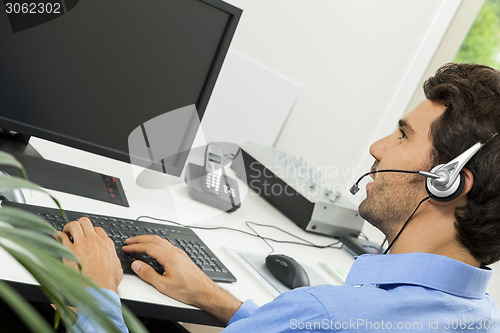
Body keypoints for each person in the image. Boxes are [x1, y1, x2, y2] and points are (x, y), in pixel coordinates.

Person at [60, 63, 500, 332]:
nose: (378, 148)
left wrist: (95, 289)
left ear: (445, 181)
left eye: (403, 135)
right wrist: (213, 297)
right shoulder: (485, 320)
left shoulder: (323, 315)